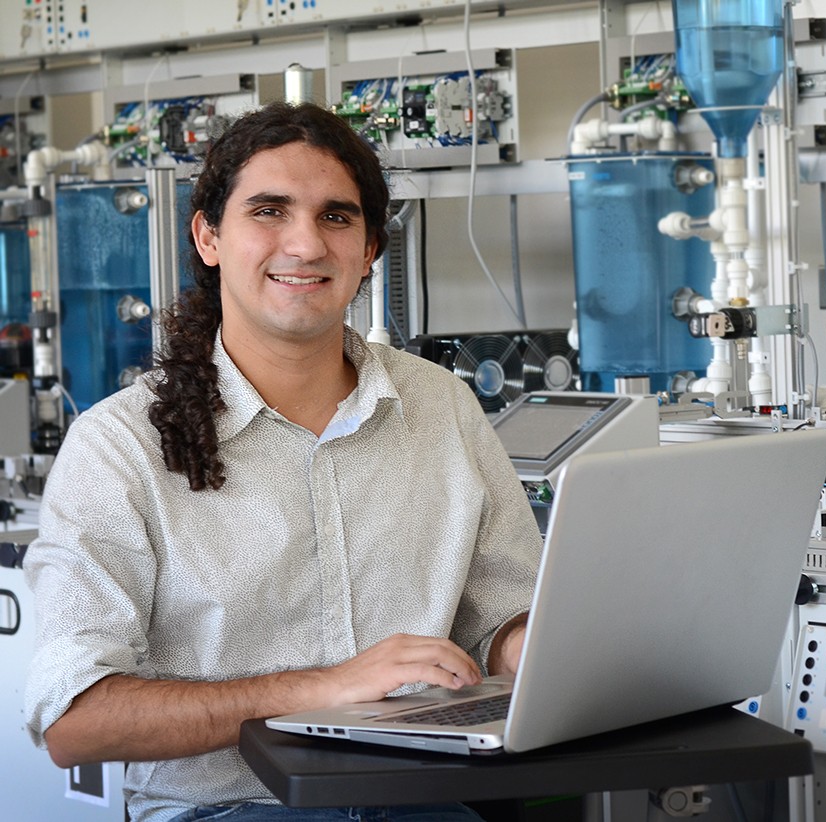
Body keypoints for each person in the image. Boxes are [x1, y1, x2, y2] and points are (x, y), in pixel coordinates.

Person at [23, 102, 543, 822]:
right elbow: (76, 721)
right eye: (269, 210)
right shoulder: (119, 448)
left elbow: (501, 620)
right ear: (208, 236)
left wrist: (536, 648)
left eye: (336, 217)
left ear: (367, 252)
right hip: (228, 811)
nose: (304, 244)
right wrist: (317, 688)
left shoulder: (441, 406)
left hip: (421, 800)